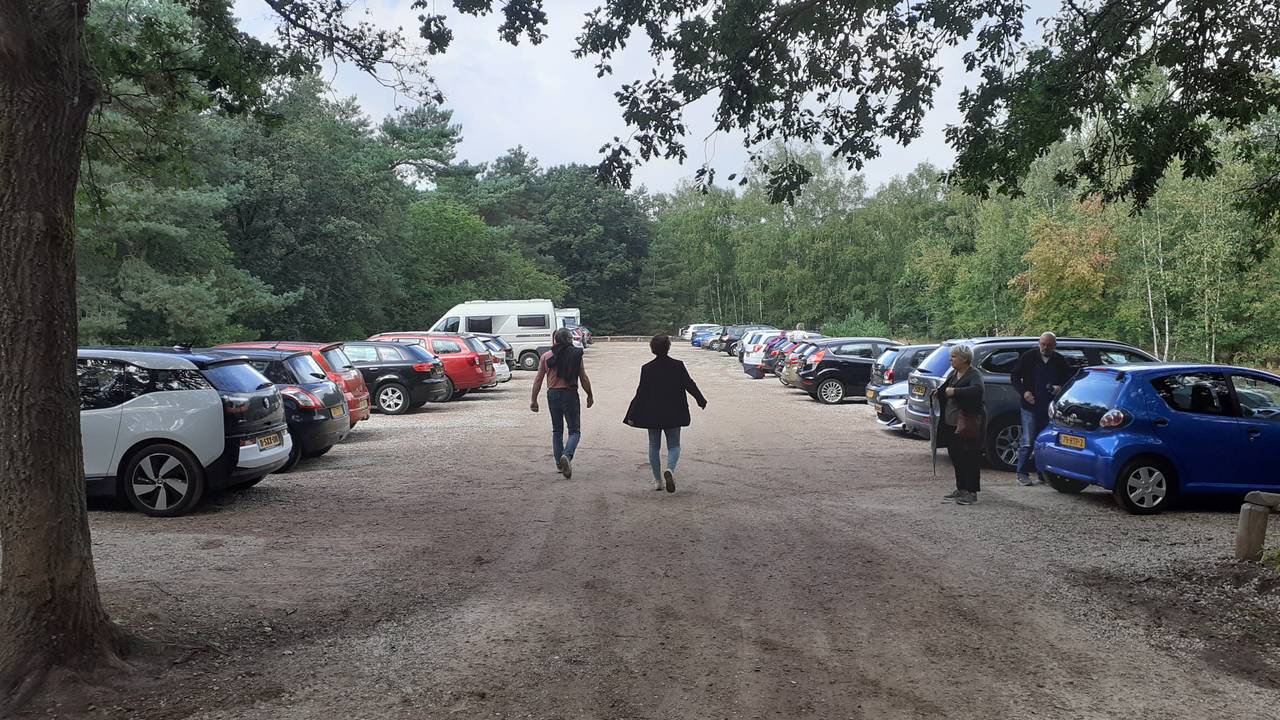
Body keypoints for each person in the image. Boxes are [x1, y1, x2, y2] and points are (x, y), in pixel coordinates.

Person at [623, 334, 708, 492]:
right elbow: (689, 384)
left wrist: (632, 413)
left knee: (654, 445)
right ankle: (670, 469)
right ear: (668, 347)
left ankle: (657, 481)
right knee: (674, 445)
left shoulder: (647, 368)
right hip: (674, 411)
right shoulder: (678, 365)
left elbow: (641, 392)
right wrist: (700, 399)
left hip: (653, 413)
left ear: (652, 349)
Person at [1009, 332, 1073, 486]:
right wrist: (1024, 392)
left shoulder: (1059, 360)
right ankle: (1022, 473)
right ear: (1039, 343)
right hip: (1030, 405)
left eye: (1049, 345)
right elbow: (1015, 376)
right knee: (1028, 440)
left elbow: (1069, 380)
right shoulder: (1029, 357)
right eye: (1043, 344)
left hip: (1049, 407)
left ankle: (1043, 473)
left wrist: (1060, 388)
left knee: (1044, 441)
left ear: (1054, 345)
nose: (1045, 347)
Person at [530, 328, 594, 478]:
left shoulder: (546, 356)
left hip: (552, 394)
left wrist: (533, 399)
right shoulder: (576, 355)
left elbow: (538, 379)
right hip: (570, 394)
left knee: (557, 431)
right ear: (569, 340)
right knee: (574, 431)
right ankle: (567, 455)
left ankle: (559, 464)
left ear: (555, 340)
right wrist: (589, 395)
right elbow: (583, 377)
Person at [936, 345, 985, 505]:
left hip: (968, 424)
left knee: (970, 457)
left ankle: (971, 492)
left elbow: (977, 391)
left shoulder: (974, 374)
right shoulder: (953, 373)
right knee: (956, 456)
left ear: (964, 358)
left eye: (954, 356)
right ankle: (961, 488)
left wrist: (956, 392)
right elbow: (945, 389)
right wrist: (938, 392)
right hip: (951, 423)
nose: (951, 359)